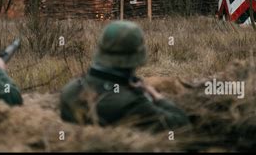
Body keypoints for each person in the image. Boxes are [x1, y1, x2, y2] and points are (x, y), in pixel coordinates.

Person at [60, 20, 190, 132]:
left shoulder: (69, 90)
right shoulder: (133, 103)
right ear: (136, 58)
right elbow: (182, 124)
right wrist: (157, 97)